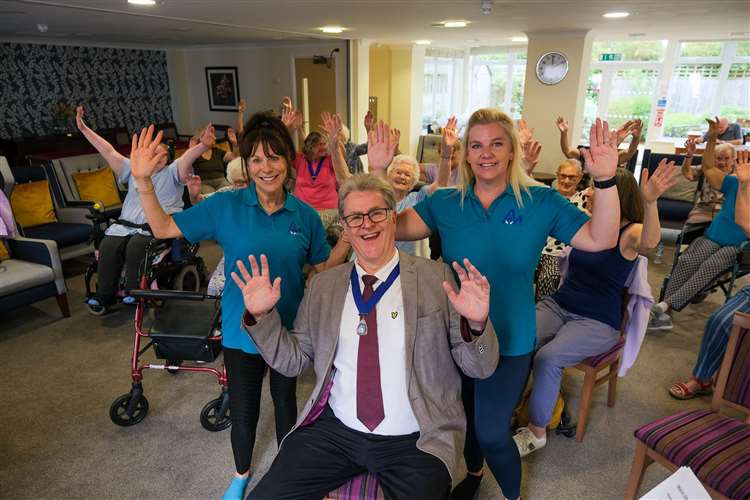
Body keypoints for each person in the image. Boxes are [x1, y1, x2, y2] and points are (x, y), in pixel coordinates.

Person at [392, 109, 622, 500]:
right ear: (465, 153)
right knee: (463, 418)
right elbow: (389, 228)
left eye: (496, 143)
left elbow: (601, 238)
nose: (486, 153)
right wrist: (384, 175)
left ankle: (513, 496)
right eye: (476, 145)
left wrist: (605, 179)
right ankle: (476, 472)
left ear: (512, 151)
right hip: (457, 336)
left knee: (492, 429)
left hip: (512, 338)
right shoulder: (445, 201)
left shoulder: (540, 200)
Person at [233, 173, 500, 500]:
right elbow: (293, 362)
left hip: (415, 437)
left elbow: (480, 368)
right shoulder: (323, 286)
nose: (366, 224)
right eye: (355, 217)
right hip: (336, 431)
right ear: (344, 227)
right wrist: (262, 317)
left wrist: (477, 325)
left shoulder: (435, 278)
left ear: (392, 216)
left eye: (376, 212)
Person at [125, 114, 350, 500]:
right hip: (239, 329)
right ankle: (241, 474)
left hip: (287, 333)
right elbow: (163, 228)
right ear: (247, 164)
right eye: (258, 159)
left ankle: (288, 470)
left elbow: (323, 266)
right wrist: (143, 180)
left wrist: (346, 239)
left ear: (289, 162)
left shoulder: (306, 216)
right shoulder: (225, 207)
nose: (267, 168)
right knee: (244, 411)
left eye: (275, 157)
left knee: (285, 403)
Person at [514, 163, 678, 456]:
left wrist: (650, 201)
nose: (589, 192)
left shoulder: (629, 232)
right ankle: (508, 406)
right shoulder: (587, 222)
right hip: (560, 304)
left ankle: (537, 431)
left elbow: (651, 244)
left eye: (597, 188)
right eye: (591, 186)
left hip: (597, 321)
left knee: (548, 358)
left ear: (618, 196)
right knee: (519, 338)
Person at [74, 105, 208, 314]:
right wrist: (84, 129)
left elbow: (186, 159)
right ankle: (104, 296)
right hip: (125, 225)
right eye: (153, 154)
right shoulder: (133, 169)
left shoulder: (173, 172)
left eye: (162, 156)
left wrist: (202, 146)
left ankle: (134, 293)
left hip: (154, 227)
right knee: (108, 245)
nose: (157, 159)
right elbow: (108, 151)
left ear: (168, 160)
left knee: (137, 246)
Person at [649, 119, 749, 331]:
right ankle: (663, 310)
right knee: (687, 261)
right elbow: (708, 167)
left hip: (739, 245)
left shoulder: (739, 183)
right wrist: (712, 137)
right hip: (713, 235)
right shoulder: (735, 182)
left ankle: (665, 305)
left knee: (709, 266)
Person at [323, 113, 454, 256]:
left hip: (406, 267)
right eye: (398, 172)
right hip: (367, 260)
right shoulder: (374, 192)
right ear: (388, 174)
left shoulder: (417, 198)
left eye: (408, 175)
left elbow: (441, 183)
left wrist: (446, 155)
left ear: (414, 181)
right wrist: (335, 148)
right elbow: (344, 179)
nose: (402, 177)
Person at [534, 159, 590, 301]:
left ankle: (542, 311)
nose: (566, 180)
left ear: (580, 178)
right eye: (563, 176)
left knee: (549, 277)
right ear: (557, 175)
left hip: (557, 254)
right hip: (535, 248)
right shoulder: (547, 195)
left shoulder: (584, 198)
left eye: (572, 177)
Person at [680, 137, 736, 223]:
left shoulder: (739, 174)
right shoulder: (707, 170)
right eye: (719, 158)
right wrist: (689, 155)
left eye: (727, 158)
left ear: (733, 160)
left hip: (727, 212)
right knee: (691, 232)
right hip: (703, 209)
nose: (722, 162)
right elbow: (688, 174)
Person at [556, 116, 642, 168]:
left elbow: (629, 152)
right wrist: (564, 133)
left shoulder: (612, 157)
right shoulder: (585, 155)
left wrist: (636, 138)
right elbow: (567, 151)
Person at [189, 124, 238, 194]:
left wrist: (234, 144)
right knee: (212, 199)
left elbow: (234, 157)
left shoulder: (217, 151)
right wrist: (191, 150)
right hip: (204, 183)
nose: (214, 138)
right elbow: (187, 167)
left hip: (221, 180)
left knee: (230, 195)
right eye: (209, 136)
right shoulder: (195, 153)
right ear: (201, 138)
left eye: (213, 136)